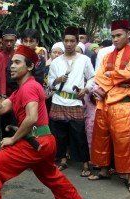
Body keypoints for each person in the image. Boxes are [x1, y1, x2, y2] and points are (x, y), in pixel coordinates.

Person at [0, 45, 91, 199]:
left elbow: (32, 118)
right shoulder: (21, 90)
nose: (12, 65)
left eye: (17, 62)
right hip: (45, 142)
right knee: (50, 174)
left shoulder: (29, 88)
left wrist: (12, 139)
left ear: (30, 66)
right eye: (12, 62)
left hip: (35, 142)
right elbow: (0, 109)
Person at [89, 20, 130, 194]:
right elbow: (98, 76)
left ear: (128, 34)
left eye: (118, 35)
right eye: (112, 36)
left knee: (125, 142)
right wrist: (114, 82)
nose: (114, 39)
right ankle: (104, 171)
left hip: (123, 104)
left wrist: (108, 77)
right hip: (103, 103)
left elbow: (129, 73)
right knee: (101, 138)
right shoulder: (106, 55)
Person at [48, 27, 94, 177]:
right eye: (66, 40)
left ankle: (85, 163)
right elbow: (49, 84)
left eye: (72, 41)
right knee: (59, 134)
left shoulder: (84, 60)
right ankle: (62, 160)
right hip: (58, 100)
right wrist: (57, 79)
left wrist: (86, 89)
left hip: (75, 102)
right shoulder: (56, 62)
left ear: (76, 41)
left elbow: (92, 77)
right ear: (63, 41)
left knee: (79, 134)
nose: (69, 44)